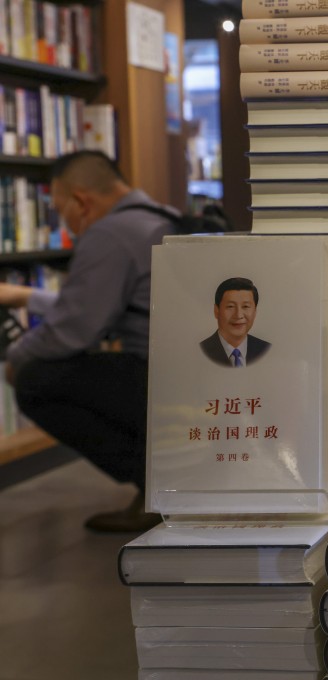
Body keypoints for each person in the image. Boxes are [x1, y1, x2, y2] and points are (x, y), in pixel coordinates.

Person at [0, 150, 178, 532]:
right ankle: (165, 484)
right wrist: (26, 296)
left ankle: (158, 487)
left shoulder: (109, 234)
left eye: (58, 209)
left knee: (35, 379)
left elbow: (71, 332)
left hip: (159, 379)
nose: (63, 221)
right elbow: (100, 308)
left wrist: (14, 359)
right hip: (193, 375)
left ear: (81, 202)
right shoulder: (162, 216)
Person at [199, 277, 271, 367]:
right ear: (216, 311)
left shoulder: (265, 349)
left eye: (245, 306)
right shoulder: (202, 350)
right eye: (230, 306)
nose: (238, 315)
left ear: (255, 311)